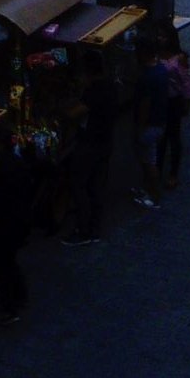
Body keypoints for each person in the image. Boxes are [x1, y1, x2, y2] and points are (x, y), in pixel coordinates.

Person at [65, 52, 117, 244]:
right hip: (105, 141)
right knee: (95, 186)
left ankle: (83, 229)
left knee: (79, 185)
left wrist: (62, 108)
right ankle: (94, 227)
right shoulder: (110, 86)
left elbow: (74, 113)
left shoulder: (95, 91)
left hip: (90, 145)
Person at [0, 133, 35, 323]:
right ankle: (21, 295)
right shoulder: (17, 162)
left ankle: (10, 307)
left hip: (6, 223)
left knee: (2, 265)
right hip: (21, 220)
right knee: (10, 260)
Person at [133, 40, 172, 208]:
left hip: (149, 125)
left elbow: (145, 105)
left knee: (149, 162)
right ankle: (147, 189)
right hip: (160, 121)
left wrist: (139, 127)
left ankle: (155, 196)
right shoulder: (162, 70)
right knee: (147, 159)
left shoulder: (147, 77)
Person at [159, 36, 190, 188]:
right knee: (163, 137)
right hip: (163, 100)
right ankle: (159, 168)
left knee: (173, 137)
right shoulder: (160, 56)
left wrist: (187, 102)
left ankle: (172, 173)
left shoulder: (179, 59)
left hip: (174, 101)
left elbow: (186, 83)